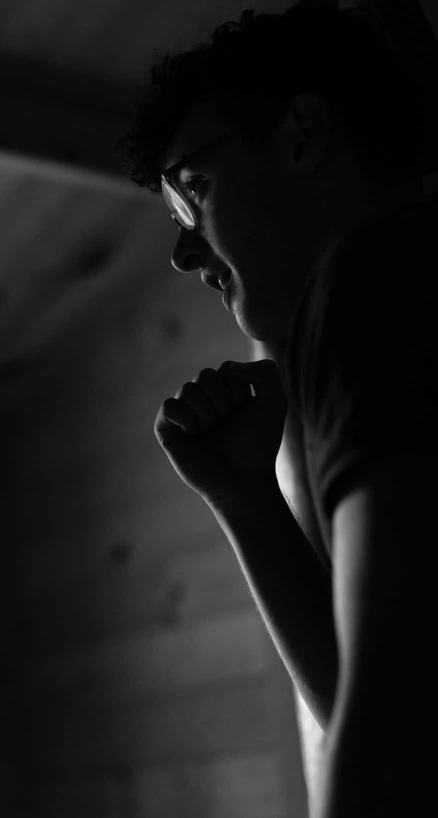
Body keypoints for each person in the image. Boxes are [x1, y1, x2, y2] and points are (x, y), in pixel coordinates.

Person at [115, 5, 435, 816]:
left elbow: (393, 740)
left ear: (301, 134)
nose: (184, 253)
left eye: (193, 192)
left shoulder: (374, 276)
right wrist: (246, 500)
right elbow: (394, 708)